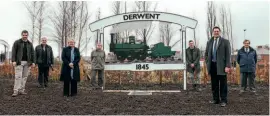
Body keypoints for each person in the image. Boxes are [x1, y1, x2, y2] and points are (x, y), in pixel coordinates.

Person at [205, 26, 231, 107]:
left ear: (220, 32)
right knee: (214, 84)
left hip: (222, 66)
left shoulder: (225, 42)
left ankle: (224, 100)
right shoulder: (209, 42)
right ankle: (215, 99)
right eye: (215, 31)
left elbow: (228, 55)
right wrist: (208, 62)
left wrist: (227, 66)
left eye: (217, 31)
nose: (216, 32)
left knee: (223, 84)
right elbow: (206, 54)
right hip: (212, 65)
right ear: (213, 32)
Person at [11, 30, 35, 97]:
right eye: (23, 35)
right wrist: (13, 60)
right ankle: (15, 91)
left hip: (27, 63)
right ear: (21, 35)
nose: (25, 36)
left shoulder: (30, 44)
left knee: (24, 77)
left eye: (26, 35)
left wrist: (33, 62)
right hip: (19, 62)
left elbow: (33, 53)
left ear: (27, 35)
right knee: (18, 77)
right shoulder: (17, 42)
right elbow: (13, 52)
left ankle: (21, 90)